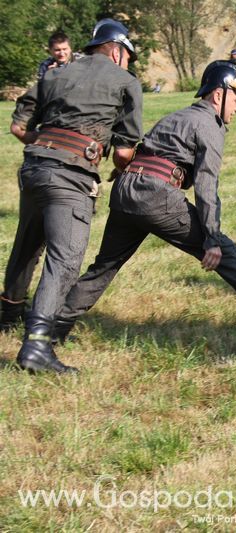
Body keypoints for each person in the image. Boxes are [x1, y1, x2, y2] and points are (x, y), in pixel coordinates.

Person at [53, 61, 236, 358]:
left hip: (126, 190)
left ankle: (53, 329)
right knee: (227, 253)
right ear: (219, 95)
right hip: (155, 196)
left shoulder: (178, 116)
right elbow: (206, 187)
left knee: (104, 267)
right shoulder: (210, 124)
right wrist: (211, 237)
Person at [1, 19, 143, 373]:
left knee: (28, 244)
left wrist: (47, 144)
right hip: (72, 177)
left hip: (34, 169)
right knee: (64, 260)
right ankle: (36, 345)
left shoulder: (54, 74)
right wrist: (120, 169)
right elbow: (124, 152)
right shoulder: (125, 81)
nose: (129, 64)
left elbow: (19, 126)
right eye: (129, 56)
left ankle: (7, 318)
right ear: (116, 50)